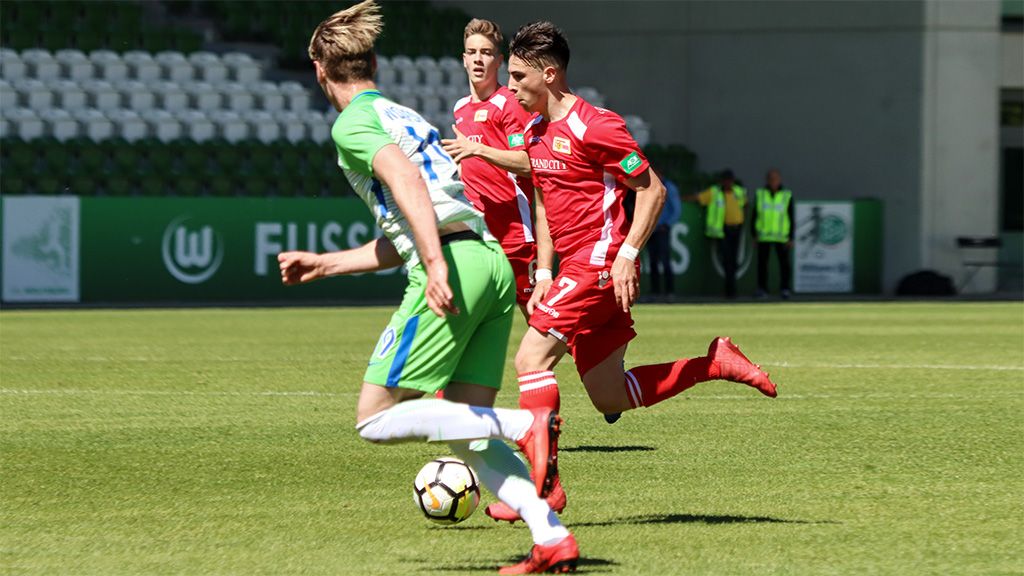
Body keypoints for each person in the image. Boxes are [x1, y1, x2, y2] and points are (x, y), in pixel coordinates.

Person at [276, 3, 576, 573]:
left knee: (373, 419)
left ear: (319, 70)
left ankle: (524, 423)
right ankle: (551, 536)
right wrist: (327, 265)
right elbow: (412, 224)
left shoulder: (351, 124)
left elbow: (408, 182)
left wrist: (435, 266)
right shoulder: (399, 112)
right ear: (374, 65)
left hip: (455, 265)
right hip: (487, 260)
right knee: (468, 433)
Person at [482, 20, 778, 527]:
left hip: (599, 263)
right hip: (573, 267)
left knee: (530, 358)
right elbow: (545, 203)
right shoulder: (534, 130)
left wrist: (627, 253)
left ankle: (541, 490)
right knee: (610, 395)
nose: (509, 87)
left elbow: (652, 189)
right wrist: (545, 270)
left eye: (518, 76)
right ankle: (714, 363)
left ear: (549, 74)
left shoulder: (596, 126)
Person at [441, 18, 538, 319]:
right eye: (472, 52)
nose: (478, 59)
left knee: (540, 320)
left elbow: (528, 163)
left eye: (486, 53)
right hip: (478, 235)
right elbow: (468, 165)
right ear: (464, 59)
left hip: (514, 235)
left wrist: (477, 149)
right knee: (467, 315)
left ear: (499, 61)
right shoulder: (460, 108)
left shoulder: (509, 103)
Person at [685, 170, 747, 299]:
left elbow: (745, 204)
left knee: (733, 260)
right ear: (722, 181)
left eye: (730, 180)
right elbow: (698, 198)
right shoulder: (715, 192)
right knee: (727, 260)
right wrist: (681, 198)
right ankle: (730, 290)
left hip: (737, 229)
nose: (728, 183)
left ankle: (731, 289)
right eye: (726, 180)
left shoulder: (738, 192)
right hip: (723, 230)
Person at [752, 168, 794, 299]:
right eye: (771, 179)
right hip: (763, 236)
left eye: (775, 179)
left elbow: (791, 217)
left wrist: (791, 237)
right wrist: (754, 235)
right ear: (767, 180)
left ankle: (785, 289)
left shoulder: (786, 195)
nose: (773, 181)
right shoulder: (760, 194)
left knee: (784, 265)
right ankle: (762, 289)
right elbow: (754, 215)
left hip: (781, 237)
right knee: (762, 264)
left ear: (779, 180)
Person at [645, 171, 681, 302]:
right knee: (653, 262)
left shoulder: (669, 188)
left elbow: (676, 209)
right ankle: (655, 292)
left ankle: (669, 292)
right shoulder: (647, 186)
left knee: (665, 260)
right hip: (650, 228)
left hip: (662, 229)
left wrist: (667, 224)